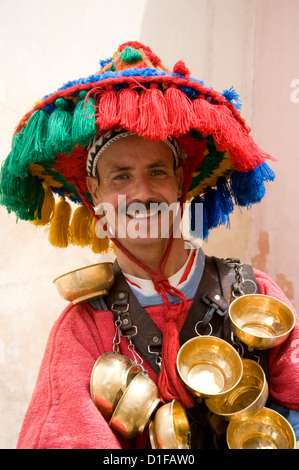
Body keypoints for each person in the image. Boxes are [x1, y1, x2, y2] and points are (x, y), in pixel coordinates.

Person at [1, 41, 298, 449]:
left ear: (180, 181)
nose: (142, 193)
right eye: (120, 176)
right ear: (95, 194)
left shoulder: (256, 295)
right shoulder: (83, 328)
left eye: (157, 171)